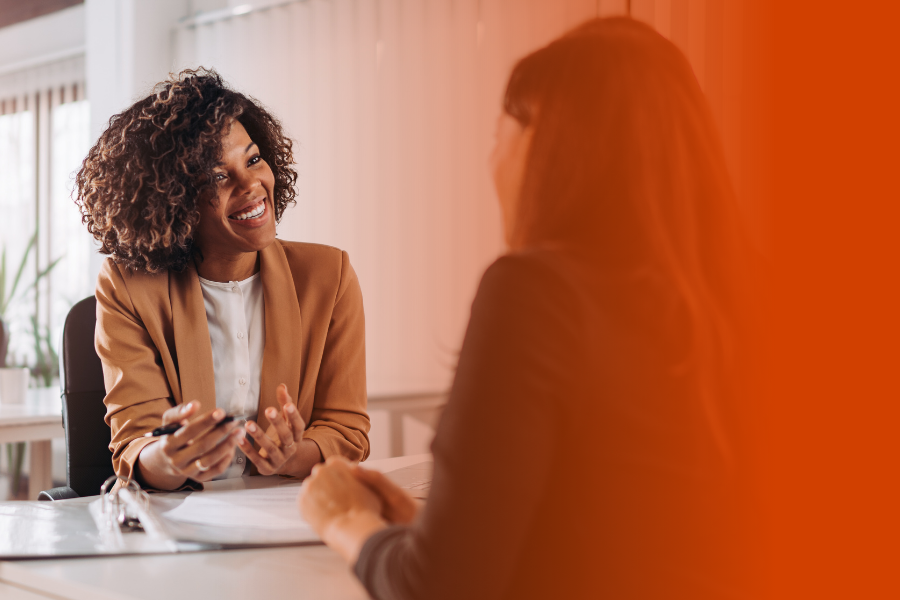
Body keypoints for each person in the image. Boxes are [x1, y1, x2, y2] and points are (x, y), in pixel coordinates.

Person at [298, 17, 756, 600]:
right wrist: (432, 532)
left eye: (499, 135)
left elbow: (439, 589)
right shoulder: (753, 296)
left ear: (548, 146)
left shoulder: (535, 294)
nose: (492, 160)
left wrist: (346, 521)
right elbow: (637, 543)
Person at [75, 69, 369, 491]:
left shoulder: (329, 275)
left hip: (286, 514)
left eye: (253, 160)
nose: (251, 185)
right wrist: (171, 457)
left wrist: (291, 455)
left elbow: (347, 431)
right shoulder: (128, 286)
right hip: (177, 517)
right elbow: (135, 446)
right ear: (173, 200)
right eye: (217, 176)